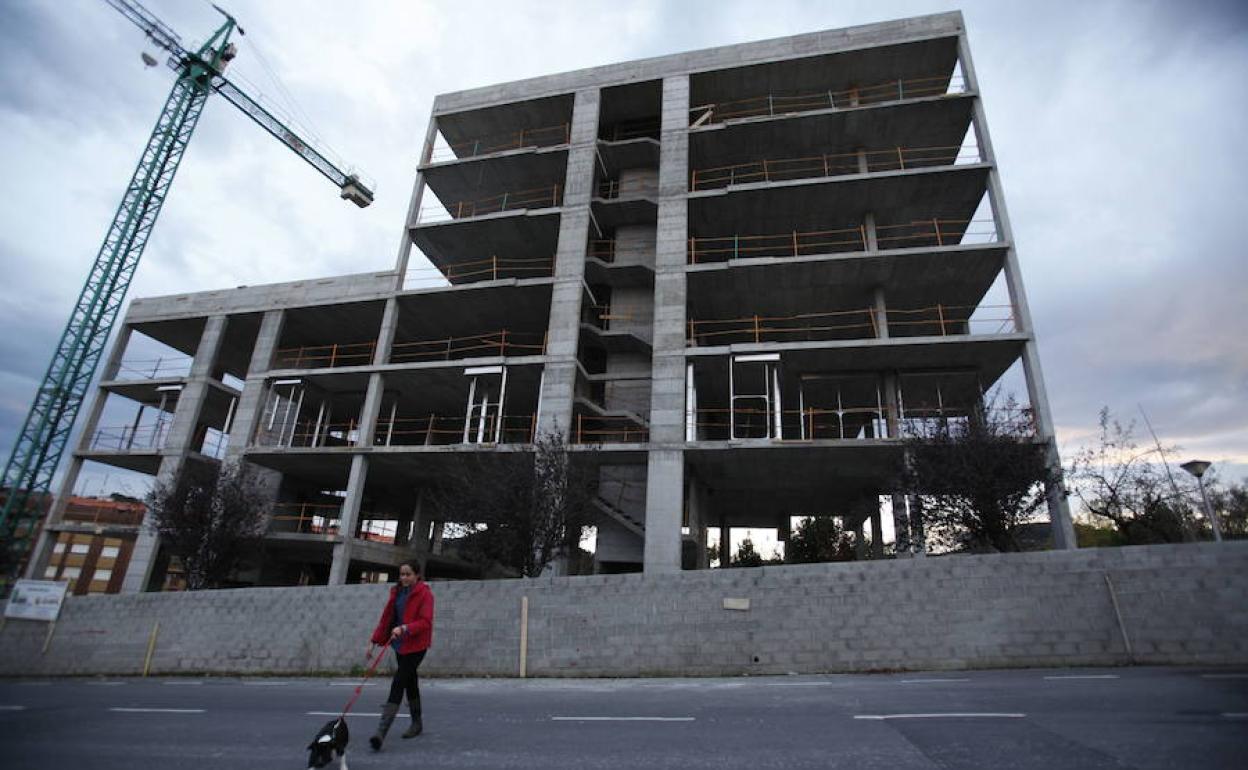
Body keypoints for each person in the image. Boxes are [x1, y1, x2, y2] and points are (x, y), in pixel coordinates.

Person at [367, 560, 434, 751]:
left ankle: (381, 733)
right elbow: (387, 618)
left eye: (408, 574)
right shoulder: (396, 592)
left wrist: (405, 628)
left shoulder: (425, 594)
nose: (404, 578)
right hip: (399, 645)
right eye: (402, 574)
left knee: (399, 681)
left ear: (417, 575)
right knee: (410, 682)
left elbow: (426, 622)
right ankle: (417, 723)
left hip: (416, 646)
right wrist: (374, 641)